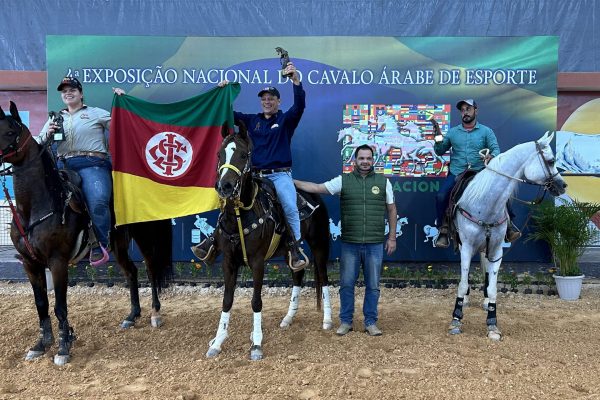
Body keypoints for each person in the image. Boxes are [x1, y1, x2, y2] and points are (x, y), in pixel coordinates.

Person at [192, 62, 308, 271]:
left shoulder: (285, 120)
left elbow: (299, 106)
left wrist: (296, 81)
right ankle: (212, 242)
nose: (267, 102)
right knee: (227, 202)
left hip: (279, 176)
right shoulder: (251, 120)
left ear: (278, 101)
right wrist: (223, 93)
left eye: (271, 99)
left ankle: (295, 249)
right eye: (264, 99)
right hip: (253, 175)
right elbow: (227, 114)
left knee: (290, 207)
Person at [294, 144, 397, 336]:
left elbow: (392, 209)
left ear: (373, 160)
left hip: (375, 243)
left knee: (373, 286)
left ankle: (370, 322)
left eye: (368, 158)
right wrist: (291, 182)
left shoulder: (384, 182)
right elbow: (317, 188)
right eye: (361, 158)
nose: (365, 161)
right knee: (347, 285)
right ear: (355, 160)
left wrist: (392, 237)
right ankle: (346, 321)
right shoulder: (344, 181)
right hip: (350, 243)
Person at [38, 77, 121, 266]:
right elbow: (39, 144)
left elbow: (122, 126)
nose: (68, 93)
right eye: (64, 91)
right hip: (62, 166)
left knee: (98, 200)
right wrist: (47, 134)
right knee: (40, 199)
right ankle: (36, 245)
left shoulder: (96, 113)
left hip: (93, 164)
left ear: (81, 94)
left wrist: (123, 103)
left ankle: (101, 244)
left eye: (72, 89)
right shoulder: (54, 118)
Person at [433, 98, 521, 248]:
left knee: (501, 192)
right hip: (457, 173)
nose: (465, 112)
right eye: (462, 110)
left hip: (480, 173)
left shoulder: (486, 131)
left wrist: (491, 156)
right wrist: (437, 136)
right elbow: (439, 150)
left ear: (476, 110)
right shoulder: (453, 132)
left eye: (468, 109)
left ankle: (509, 226)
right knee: (441, 196)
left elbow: (495, 150)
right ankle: (443, 230)